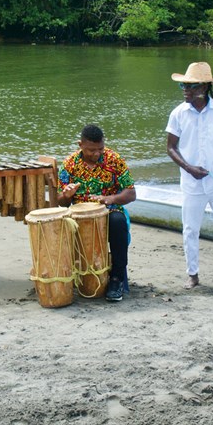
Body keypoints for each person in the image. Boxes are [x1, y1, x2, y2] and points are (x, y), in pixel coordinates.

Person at [165, 61, 213, 289]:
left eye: (191, 86)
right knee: (191, 229)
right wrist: (189, 168)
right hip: (191, 182)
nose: (185, 91)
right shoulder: (178, 113)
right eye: (183, 87)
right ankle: (193, 274)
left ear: (205, 87)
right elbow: (170, 147)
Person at [57, 124, 136, 301]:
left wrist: (111, 199)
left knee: (118, 222)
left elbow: (131, 193)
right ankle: (68, 278)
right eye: (91, 150)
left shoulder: (114, 159)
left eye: (100, 149)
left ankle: (116, 279)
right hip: (79, 215)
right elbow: (61, 201)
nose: (97, 153)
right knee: (59, 226)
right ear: (80, 145)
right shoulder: (70, 164)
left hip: (109, 211)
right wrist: (66, 194)